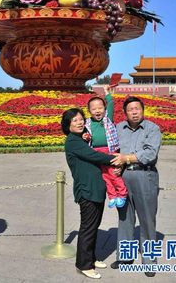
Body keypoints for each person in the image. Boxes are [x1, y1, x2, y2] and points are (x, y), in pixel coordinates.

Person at [62, 108, 124, 280]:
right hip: (87, 190)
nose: (79, 122)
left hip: (96, 188)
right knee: (88, 228)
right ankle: (83, 265)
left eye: (81, 119)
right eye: (74, 120)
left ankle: (91, 257)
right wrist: (117, 158)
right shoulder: (73, 141)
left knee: (93, 226)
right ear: (67, 125)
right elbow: (94, 155)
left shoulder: (81, 139)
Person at [110, 96, 162, 278]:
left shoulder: (152, 128)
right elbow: (111, 146)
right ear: (125, 113)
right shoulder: (119, 128)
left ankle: (149, 261)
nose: (134, 112)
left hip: (144, 175)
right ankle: (125, 257)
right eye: (130, 109)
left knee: (147, 220)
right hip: (123, 177)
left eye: (137, 109)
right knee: (125, 218)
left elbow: (150, 153)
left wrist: (126, 158)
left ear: (142, 110)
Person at [84, 86, 127, 208]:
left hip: (110, 151)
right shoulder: (87, 122)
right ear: (89, 111)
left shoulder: (107, 119)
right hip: (96, 153)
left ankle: (122, 194)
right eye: (94, 109)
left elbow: (111, 103)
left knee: (113, 174)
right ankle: (112, 196)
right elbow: (84, 134)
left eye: (100, 108)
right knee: (104, 177)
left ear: (104, 109)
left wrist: (107, 92)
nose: (97, 111)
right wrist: (85, 137)